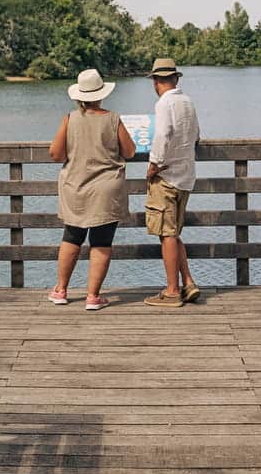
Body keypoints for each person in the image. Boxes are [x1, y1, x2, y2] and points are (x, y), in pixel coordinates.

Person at [47, 68, 134, 311]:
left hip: (75, 187)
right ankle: (93, 296)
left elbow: (55, 154)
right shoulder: (113, 118)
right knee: (102, 242)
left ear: (78, 96)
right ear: (101, 94)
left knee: (72, 236)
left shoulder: (70, 118)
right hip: (107, 189)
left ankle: (61, 290)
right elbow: (129, 151)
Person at [143, 58, 201, 307]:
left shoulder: (164, 103)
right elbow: (197, 135)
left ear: (156, 82)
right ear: (176, 78)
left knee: (166, 234)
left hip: (166, 177)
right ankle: (188, 283)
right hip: (186, 176)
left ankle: (171, 291)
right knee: (173, 233)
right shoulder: (187, 102)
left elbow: (163, 133)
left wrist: (154, 164)